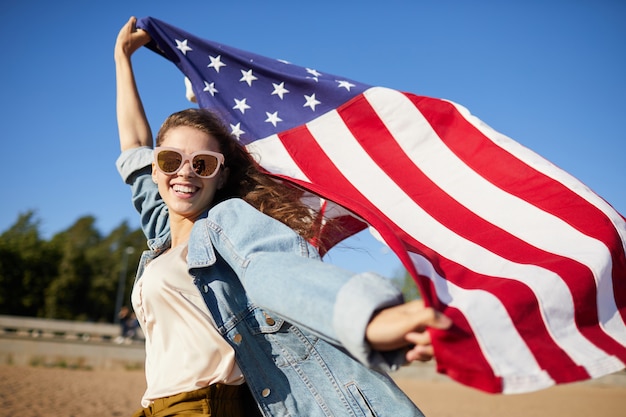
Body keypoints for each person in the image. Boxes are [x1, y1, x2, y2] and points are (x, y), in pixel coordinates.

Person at [115, 16, 452, 417]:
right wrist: (123, 59)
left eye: (202, 164)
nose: (185, 172)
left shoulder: (226, 224)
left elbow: (275, 268)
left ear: (221, 176)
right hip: (155, 407)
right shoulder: (164, 237)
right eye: (171, 160)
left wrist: (366, 317)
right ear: (157, 169)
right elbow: (134, 146)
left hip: (205, 408)